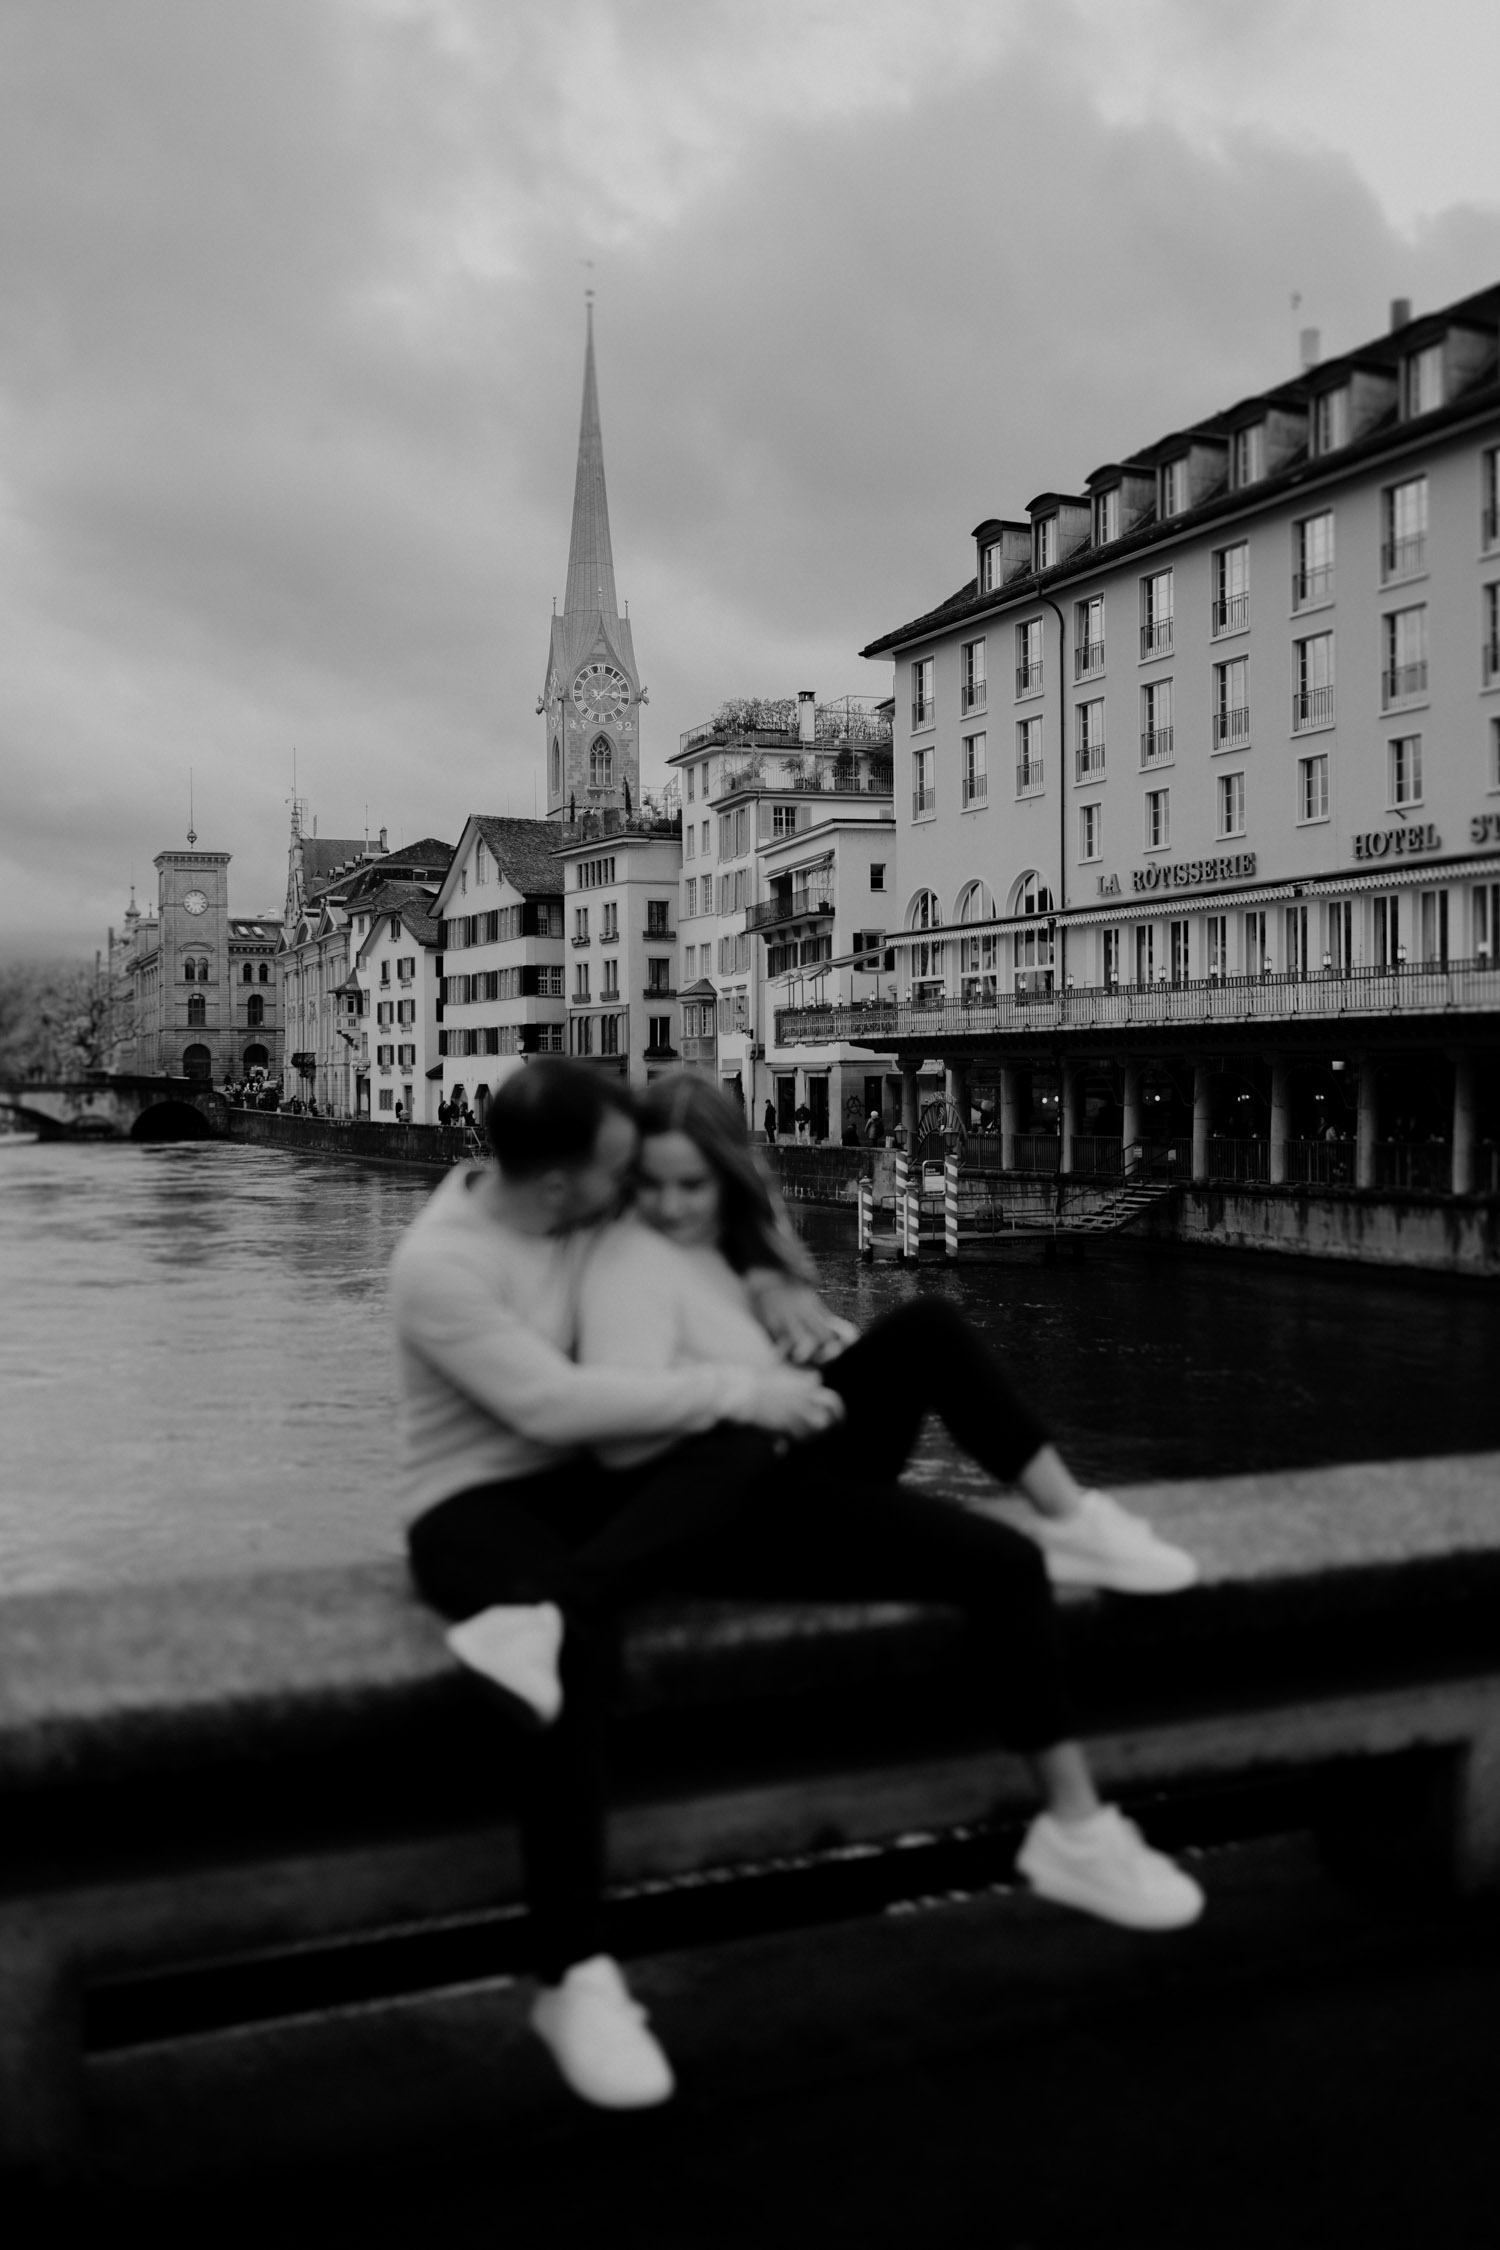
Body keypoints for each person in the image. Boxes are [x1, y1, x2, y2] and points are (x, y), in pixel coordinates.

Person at [552, 1077, 1204, 2102]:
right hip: (720, 1518)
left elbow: (797, 1370)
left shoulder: (740, 1248)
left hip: (786, 1469)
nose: (673, 1206)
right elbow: (622, 1427)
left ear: (728, 1180)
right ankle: (1076, 1827)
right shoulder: (614, 1261)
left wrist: (784, 1312)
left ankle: (1076, 1514)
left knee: (932, 1327)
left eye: (694, 1186)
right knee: (1001, 1565)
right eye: (654, 1186)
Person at [395, 1063, 844, 2112]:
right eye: (616, 1168)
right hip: (474, 1503)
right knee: (573, 1656)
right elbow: (549, 1407)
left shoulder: (578, 1211)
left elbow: (707, 1233)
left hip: (588, 1486)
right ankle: (574, 1973)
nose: (634, 1183)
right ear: (561, 1185)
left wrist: (776, 1278)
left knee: (738, 1463)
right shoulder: (441, 1264)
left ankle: (555, 1618)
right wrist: (741, 1388)